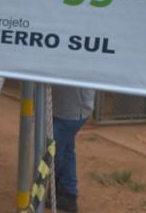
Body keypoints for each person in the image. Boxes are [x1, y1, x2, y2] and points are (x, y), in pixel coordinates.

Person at [51, 85, 96, 213]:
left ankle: (57, 186)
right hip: (62, 109)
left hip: (72, 111)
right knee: (66, 150)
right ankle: (68, 193)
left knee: (53, 152)